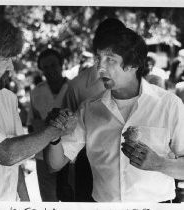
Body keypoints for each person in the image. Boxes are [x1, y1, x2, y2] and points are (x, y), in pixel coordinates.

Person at [46, 18, 184, 202]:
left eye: (110, 59)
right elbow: (55, 164)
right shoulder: (88, 109)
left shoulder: (169, 105)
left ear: (133, 64)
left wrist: (159, 164)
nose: (100, 67)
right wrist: (54, 136)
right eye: (98, 59)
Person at [0, 13, 77, 201]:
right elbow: (7, 154)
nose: (12, 67)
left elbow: (16, 162)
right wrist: (55, 129)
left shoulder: (9, 99)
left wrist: (26, 202)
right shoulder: (36, 92)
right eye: (6, 58)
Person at [62, 18, 126, 201]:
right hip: (87, 168)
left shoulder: (140, 83)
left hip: (131, 170)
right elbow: (65, 135)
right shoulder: (78, 86)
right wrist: (64, 180)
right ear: (95, 47)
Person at [27, 48, 69, 201]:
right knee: (48, 200)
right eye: (46, 67)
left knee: (70, 199)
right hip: (43, 156)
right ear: (41, 69)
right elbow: (31, 125)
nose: (50, 70)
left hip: (70, 154)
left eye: (53, 65)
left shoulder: (73, 88)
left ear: (61, 64)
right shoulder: (36, 92)